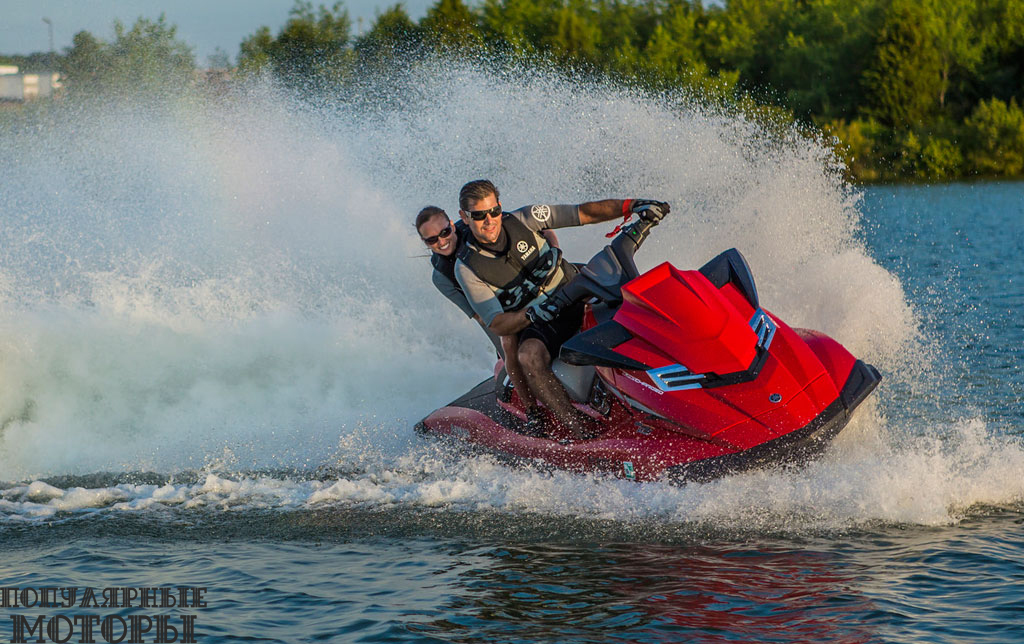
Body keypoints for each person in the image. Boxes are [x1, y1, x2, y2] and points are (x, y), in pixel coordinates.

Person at [453, 180, 669, 439]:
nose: (489, 221)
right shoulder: (466, 268)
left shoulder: (526, 217)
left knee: (634, 295)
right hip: (541, 320)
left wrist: (633, 205)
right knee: (528, 356)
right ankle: (579, 430)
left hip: (576, 289)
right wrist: (531, 315)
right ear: (464, 217)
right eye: (478, 216)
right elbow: (497, 323)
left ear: (500, 207)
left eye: (494, 212)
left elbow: (583, 213)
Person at [416, 205, 552, 414]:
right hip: (496, 311)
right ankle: (531, 410)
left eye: (444, 232)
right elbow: (479, 315)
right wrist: (515, 321)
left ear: (452, 225)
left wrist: (554, 262)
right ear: (425, 243)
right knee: (509, 346)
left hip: (529, 288)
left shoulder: (479, 227)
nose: (441, 242)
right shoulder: (441, 277)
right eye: (432, 240)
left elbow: (545, 229)